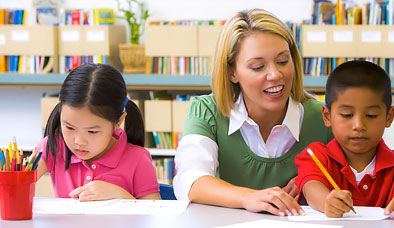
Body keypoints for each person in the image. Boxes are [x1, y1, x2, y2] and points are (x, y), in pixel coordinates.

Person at [173, 9, 333, 216]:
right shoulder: (207, 111)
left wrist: (313, 180)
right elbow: (190, 180)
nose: (275, 74)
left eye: (283, 61)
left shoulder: (323, 117)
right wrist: (248, 197)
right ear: (232, 73)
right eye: (258, 67)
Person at [295, 60, 394, 218]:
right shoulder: (315, 156)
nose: (359, 125)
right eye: (347, 115)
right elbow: (311, 187)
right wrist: (326, 202)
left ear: (389, 117)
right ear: (327, 116)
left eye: (371, 115)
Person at [36, 63, 161, 201]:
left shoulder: (138, 159)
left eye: (92, 131)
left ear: (118, 121)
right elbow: (18, 182)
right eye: (70, 128)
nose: (79, 141)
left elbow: (153, 215)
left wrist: (120, 195)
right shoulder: (54, 146)